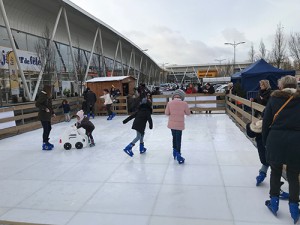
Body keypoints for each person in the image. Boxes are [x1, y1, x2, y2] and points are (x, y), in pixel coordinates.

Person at [262, 75, 300, 223]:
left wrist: (266, 142)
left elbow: (266, 123)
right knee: (293, 174)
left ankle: (274, 202)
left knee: (275, 171)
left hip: (275, 140)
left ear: (281, 86)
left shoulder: (274, 99)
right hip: (296, 142)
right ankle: (294, 207)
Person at [165, 89, 191, 164]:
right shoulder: (184, 103)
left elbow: (166, 113)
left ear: (174, 96)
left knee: (174, 137)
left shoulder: (169, 103)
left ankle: (174, 152)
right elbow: (188, 113)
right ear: (182, 96)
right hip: (179, 124)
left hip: (172, 124)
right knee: (178, 139)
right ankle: (178, 154)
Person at [35, 85, 56, 150]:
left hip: (47, 116)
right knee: (46, 129)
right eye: (50, 89)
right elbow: (37, 104)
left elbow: (50, 106)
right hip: (43, 115)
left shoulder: (48, 96)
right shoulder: (43, 95)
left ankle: (46, 141)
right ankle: (44, 143)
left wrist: (53, 113)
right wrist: (44, 108)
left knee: (49, 128)